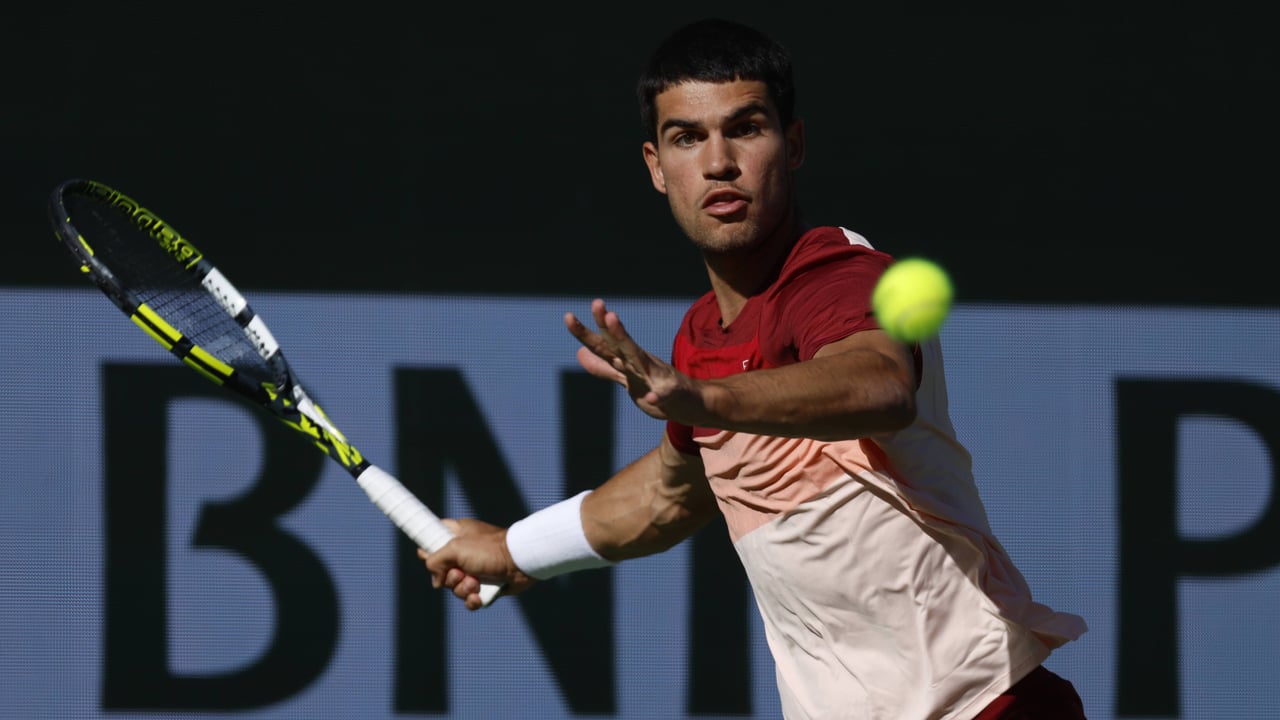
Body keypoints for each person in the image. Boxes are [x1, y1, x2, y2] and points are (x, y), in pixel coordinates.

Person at [420, 17, 1088, 720]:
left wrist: (705, 398)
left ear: (792, 144)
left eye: (745, 128)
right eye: (687, 137)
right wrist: (515, 548)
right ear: (655, 166)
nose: (718, 163)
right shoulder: (700, 335)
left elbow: (879, 383)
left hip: (984, 705)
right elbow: (670, 496)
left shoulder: (840, 275)